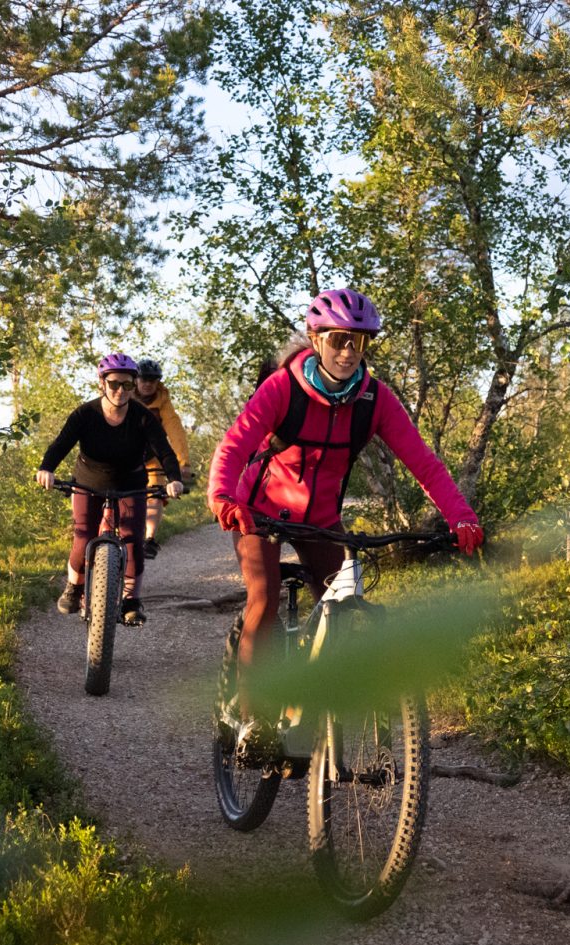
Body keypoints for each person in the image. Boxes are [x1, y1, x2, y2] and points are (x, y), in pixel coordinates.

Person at [207, 287, 484, 740]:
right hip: (258, 512)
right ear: (316, 339)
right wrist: (222, 495)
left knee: (344, 603)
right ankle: (252, 720)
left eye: (358, 341)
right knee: (264, 599)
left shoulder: (374, 400)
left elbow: (423, 462)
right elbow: (235, 443)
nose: (348, 351)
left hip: (320, 520)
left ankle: (315, 705)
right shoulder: (283, 388)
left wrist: (460, 515)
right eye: (338, 339)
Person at [36, 352, 184, 626]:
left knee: (133, 540)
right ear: (102, 383)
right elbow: (61, 444)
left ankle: (131, 600)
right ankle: (75, 587)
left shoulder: (142, 417)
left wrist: (174, 478)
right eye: (114, 383)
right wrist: (47, 468)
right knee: (83, 537)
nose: (120, 390)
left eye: (128, 385)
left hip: (131, 483)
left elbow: (164, 451)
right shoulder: (85, 414)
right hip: (88, 482)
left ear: (134, 386)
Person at [132, 357, 192, 559]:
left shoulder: (163, 401)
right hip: (125, 454)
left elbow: (175, 429)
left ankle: (149, 539)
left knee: (155, 494)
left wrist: (183, 461)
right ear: (136, 380)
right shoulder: (124, 395)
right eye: (144, 379)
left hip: (152, 456)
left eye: (153, 380)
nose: (148, 384)